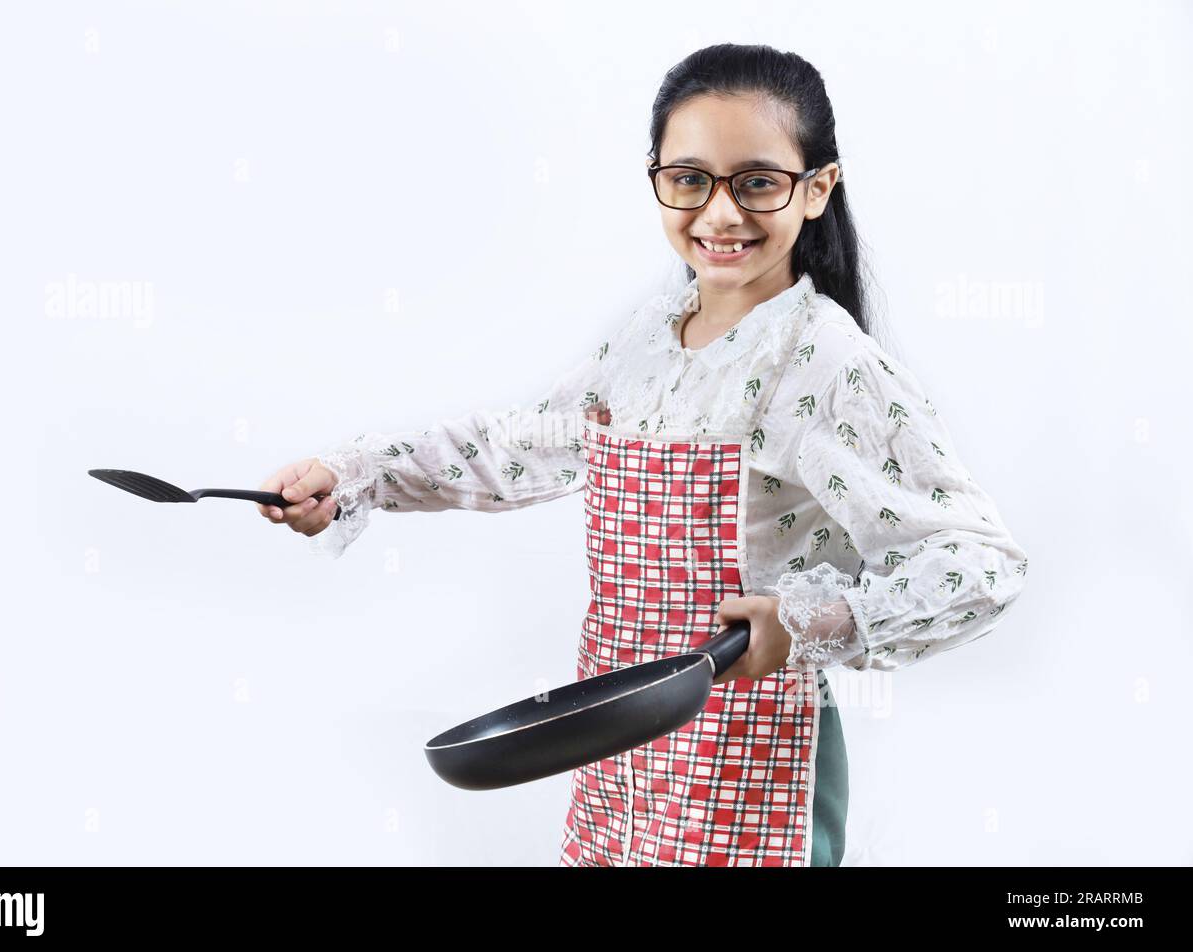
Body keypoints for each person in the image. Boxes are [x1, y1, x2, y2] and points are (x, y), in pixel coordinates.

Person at [257, 43, 1030, 867]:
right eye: (690, 178)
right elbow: (521, 446)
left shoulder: (829, 366)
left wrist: (810, 623)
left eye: (757, 181)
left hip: (749, 754)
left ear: (817, 189)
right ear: (658, 177)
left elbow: (982, 564)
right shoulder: (649, 340)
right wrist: (353, 476)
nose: (720, 214)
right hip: (619, 740)